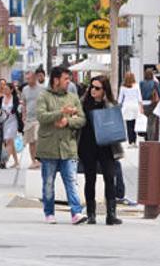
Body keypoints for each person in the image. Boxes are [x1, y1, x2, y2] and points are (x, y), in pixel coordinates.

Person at [36, 66, 89, 225]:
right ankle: (49, 212)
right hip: (49, 147)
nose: (68, 82)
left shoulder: (73, 98)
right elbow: (41, 116)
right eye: (66, 79)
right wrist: (61, 112)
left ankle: (76, 213)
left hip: (68, 147)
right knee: (48, 182)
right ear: (56, 80)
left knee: (71, 181)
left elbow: (82, 119)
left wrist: (67, 121)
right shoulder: (43, 96)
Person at [78, 75, 123, 225]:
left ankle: (111, 214)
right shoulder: (83, 103)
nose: (93, 90)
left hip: (106, 147)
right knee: (90, 179)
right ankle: (91, 214)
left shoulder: (110, 104)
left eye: (97, 88)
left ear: (104, 90)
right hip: (87, 146)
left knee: (110, 178)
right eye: (91, 87)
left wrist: (107, 103)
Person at [21, 71, 45, 170]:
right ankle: (33, 161)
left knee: (38, 138)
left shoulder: (42, 89)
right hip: (29, 119)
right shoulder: (25, 89)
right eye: (26, 79)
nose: (28, 80)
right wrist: (23, 115)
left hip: (39, 118)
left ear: (35, 78)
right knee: (31, 141)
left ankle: (40, 159)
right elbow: (24, 103)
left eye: (29, 78)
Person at [0, 81, 21, 168]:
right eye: (4, 89)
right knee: (10, 142)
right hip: (4, 122)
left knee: (9, 139)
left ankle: (4, 161)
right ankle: (16, 161)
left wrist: (9, 112)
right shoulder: (2, 98)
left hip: (13, 121)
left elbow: (15, 108)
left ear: (12, 90)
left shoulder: (15, 98)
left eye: (7, 89)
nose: (5, 90)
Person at [118, 71, 143, 147]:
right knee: (135, 124)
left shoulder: (123, 87)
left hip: (127, 107)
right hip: (135, 106)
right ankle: (134, 142)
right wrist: (141, 107)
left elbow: (120, 100)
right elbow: (139, 98)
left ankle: (130, 142)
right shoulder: (136, 86)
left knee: (129, 125)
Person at [139, 69, 160, 141]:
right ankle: (151, 139)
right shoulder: (155, 83)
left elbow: (139, 94)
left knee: (145, 122)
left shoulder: (141, 83)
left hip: (143, 105)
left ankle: (146, 138)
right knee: (152, 123)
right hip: (153, 104)